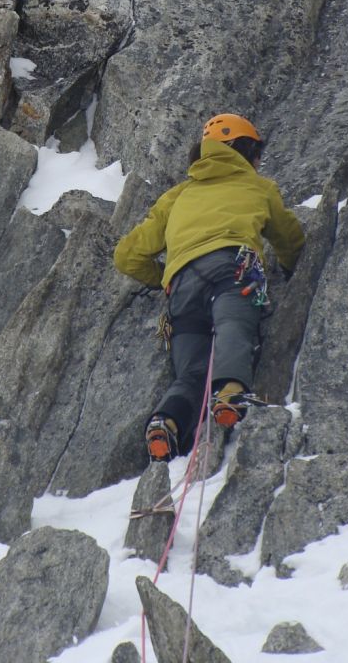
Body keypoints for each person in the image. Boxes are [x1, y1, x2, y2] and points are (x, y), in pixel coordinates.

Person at [113, 113, 305, 462]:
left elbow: (127, 255)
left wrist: (164, 276)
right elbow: (289, 239)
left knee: (193, 369)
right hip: (233, 268)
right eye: (257, 155)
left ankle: (167, 421)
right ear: (245, 152)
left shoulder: (177, 195)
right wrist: (295, 271)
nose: (260, 163)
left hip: (182, 287)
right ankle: (230, 393)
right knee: (235, 325)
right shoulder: (259, 188)